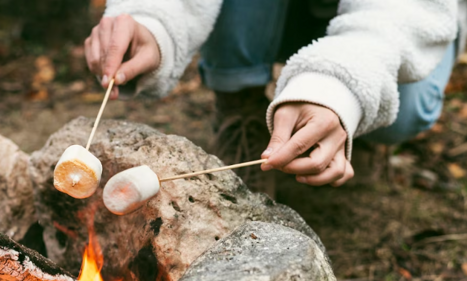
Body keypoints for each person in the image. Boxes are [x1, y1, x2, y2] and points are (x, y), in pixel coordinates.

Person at [84, 0, 465, 190]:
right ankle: (240, 105)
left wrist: (340, 88)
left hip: (394, 16)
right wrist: (152, 18)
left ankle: (339, 131)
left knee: (406, 106)